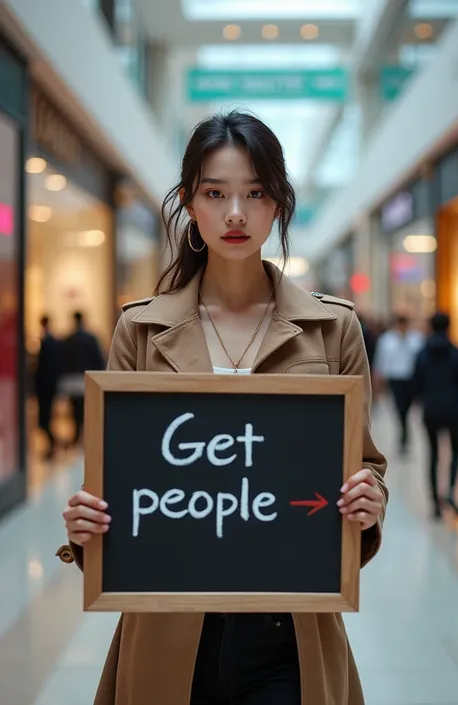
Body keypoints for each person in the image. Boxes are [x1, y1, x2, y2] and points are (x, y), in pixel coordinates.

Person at [59, 112, 388, 705]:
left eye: (255, 193)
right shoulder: (141, 328)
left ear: (279, 204)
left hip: (290, 627)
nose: (235, 212)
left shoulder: (333, 328)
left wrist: (370, 500)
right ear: (190, 203)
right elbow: (120, 484)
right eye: (215, 193)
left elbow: (367, 463)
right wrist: (89, 526)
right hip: (168, 624)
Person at [412, 312, 458, 519]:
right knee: (455, 451)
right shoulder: (457, 353)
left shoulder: (422, 353)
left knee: (433, 454)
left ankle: (435, 502)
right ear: (448, 327)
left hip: (431, 410)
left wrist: (425, 400)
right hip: (453, 410)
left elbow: (416, 382)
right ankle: (451, 493)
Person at [373, 314, 423, 454]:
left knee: (407, 409)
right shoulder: (387, 340)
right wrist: (379, 380)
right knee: (400, 408)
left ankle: (404, 434)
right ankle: (404, 436)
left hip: (411, 379)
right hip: (395, 379)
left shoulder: (416, 339)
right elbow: (381, 360)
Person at [61, 311, 105, 446]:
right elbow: (98, 359)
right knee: (88, 408)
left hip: (72, 379)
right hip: (88, 378)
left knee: (75, 410)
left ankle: (77, 434)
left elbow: (63, 360)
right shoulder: (90, 338)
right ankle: (86, 434)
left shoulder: (68, 339)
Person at [35, 315, 61, 459]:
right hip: (48, 385)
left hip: (46, 386)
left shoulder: (48, 342)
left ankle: (54, 443)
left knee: (44, 419)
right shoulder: (51, 341)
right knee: (44, 419)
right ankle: (53, 444)